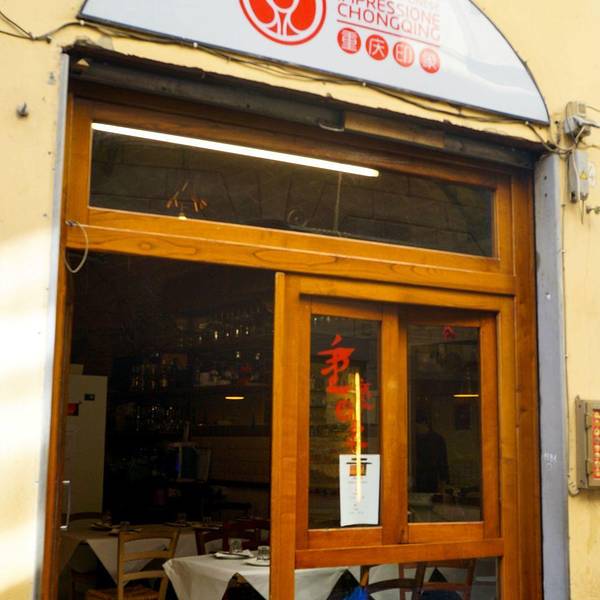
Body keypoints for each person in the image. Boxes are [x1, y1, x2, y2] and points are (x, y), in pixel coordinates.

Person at [414, 410, 449, 494]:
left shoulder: (437, 440)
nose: (416, 430)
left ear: (424, 424)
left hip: (432, 479)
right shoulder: (414, 440)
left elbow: (443, 462)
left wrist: (443, 482)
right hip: (417, 479)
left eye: (417, 427)